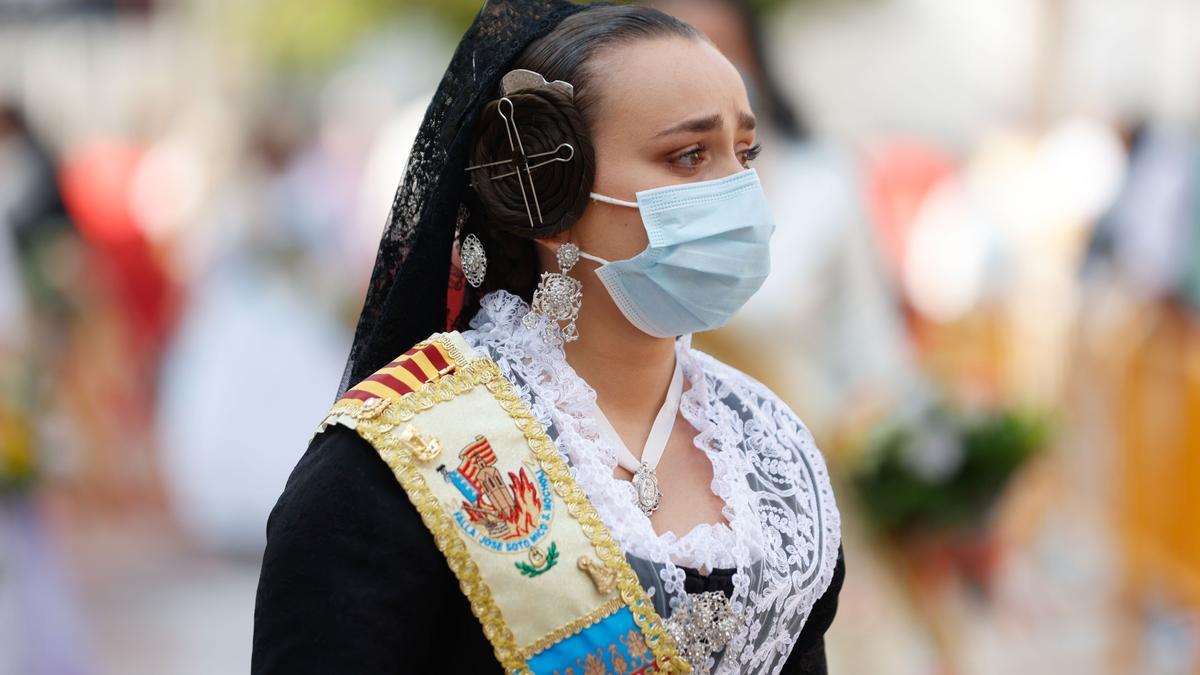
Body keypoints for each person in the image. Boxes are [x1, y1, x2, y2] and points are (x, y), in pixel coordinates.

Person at [252, 2, 844, 674]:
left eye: (745, 152)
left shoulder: (770, 450)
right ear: (546, 191)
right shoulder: (392, 463)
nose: (738, 190)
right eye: (687, 156)